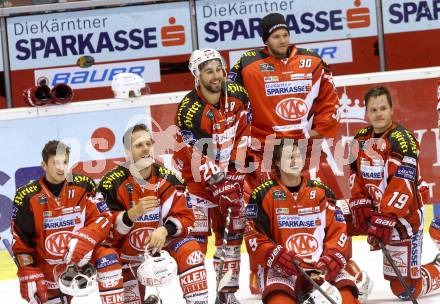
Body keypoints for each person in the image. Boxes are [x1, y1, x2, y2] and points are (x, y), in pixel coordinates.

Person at [228, 12, 367, 295]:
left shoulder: (313, 61)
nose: (282, 39)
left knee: (322, 207)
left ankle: (340, 262)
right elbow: (233, 104)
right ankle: (261, 270)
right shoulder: (246, 64)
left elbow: (329, 100)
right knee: (263, 211)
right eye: (275, 36)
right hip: (264, 150)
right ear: (266, 39)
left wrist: (320, 132)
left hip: (303, 149)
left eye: (284, 34)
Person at [172, 48, 250, 303]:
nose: (216, 76)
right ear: (196, 75)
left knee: (232, 236)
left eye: (219, 69)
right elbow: (191, 153)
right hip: (199, 183)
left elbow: (244, 132)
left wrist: (236, 173)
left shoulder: (238, 94)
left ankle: (226, 293)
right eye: (208, 71)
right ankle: (198, 297)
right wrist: (217, 181)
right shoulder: (188, 109)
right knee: (196, 240)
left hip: (230, 176)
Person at [99, 124, 208, 304]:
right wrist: (131, 214)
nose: (145, 149)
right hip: (126, 256)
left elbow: (188, 218)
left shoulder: (170, 178)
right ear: (127, 151)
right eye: (139, 145)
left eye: (149, 144)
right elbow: (103, 231)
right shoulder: (110, 183)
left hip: (162, 248)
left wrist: (166, 230)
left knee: (191, 250)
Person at [348, 86, 440, 299]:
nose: (378, 114)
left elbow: (403, 185)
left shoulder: (403, 140)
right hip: (375, 214)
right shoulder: (359, 138)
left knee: (406, 290)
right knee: (334, 217)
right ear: (366, 113)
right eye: (373, 109)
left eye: (383, 108)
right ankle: (343, 276)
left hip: (403, 219)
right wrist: (359, 201)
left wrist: (386, 217)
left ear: (391, 110)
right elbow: (354, 173)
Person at [244, 138, 360, 304]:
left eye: (297, 156)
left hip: (321, 268)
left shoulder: (322, 191)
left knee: (347, 299)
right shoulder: (262, 194)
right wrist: (275, 255)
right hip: (284, 270)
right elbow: (253, 236)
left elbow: (338, 229)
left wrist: (331, 257)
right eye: (288, 157)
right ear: (277, 161)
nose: (294, 160)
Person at [11, 140, 124, 304]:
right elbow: (21, 240)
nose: (61, 168)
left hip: (84, 258)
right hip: (50, 269)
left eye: (64, 162)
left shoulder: (84, 185)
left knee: (109, 258)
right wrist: (28, 270)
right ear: (44, 165)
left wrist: (86, 238)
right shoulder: (26, 196)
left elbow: (104, 218)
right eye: (55, 163)